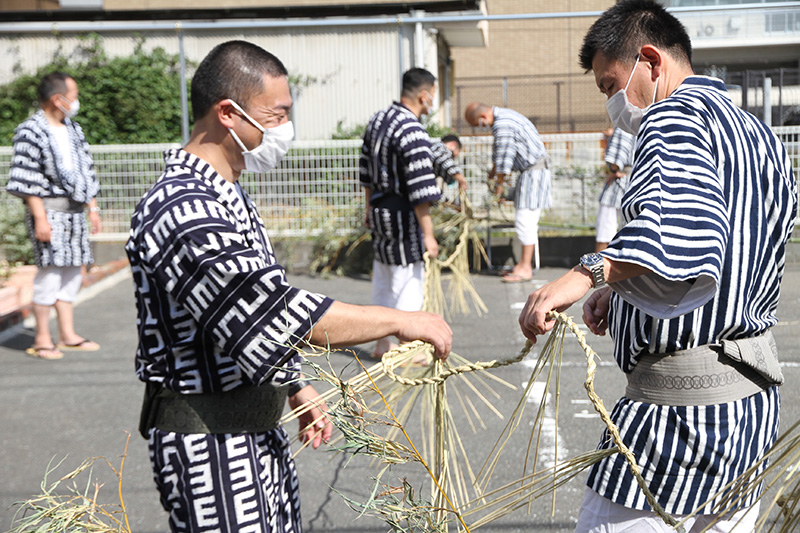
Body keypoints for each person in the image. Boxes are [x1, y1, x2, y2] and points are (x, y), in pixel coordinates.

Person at [126, 41, 452, 533]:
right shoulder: (183, 208)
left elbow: (237, 319)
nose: (284, 128)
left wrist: (294, 385)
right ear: (228, 113)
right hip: (212, 445)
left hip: (255, 431)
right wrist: (399, 320)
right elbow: (271, 314)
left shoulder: (225, 192)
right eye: (275, 115)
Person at [518, 1, 797, 531]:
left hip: (676, 425)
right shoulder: (762, 137)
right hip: (751, 416)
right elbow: (733, 247)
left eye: (611, 85)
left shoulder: (670, 117)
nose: (613, 103)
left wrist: (584, 275)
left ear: (650, 61)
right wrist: (623, 291)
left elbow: (675, 233)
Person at [7, 72, 102, 360]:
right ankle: (42, 338)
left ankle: (67, 334)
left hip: (75, 212)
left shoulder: (74, 130)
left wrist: (93, 208)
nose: (76, 102)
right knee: (49, 271)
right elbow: (28, 179)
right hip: (49, 211)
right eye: (73, 97)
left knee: (72, 271)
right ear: (57, 99)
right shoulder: (30, 131)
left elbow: (86, 170)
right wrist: (40, 219)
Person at [360, 68, 442, 359]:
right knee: (408, 280)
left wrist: (368, 207)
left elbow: (365, 170)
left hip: (378, 211)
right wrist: (428, 234)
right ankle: (409, 348)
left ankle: (382, 343)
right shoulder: (411, 128)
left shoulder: (377, 120)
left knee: (383, 277)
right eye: (433, 95)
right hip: (402, 217)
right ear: (424, 95)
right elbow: (421, 189)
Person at [464, 102, 552, 282]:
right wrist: (494, 175)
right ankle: (523, 265)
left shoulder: (503, 123)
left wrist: (499, 185)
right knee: (524, 221)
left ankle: (525, 267)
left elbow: (504, 159)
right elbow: (500, 155)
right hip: (530, 173)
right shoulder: (505, 118)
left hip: (534, 173)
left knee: (525, 221)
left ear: (482, 118)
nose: (480, 128)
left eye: (477, 124)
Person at [595, 127, 635, 252]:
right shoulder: (641, 123)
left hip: (620, 181)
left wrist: (613, 171)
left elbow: (616, 158)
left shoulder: (623, 125)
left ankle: (600, 262)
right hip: (635, 180)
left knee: (605, 229)